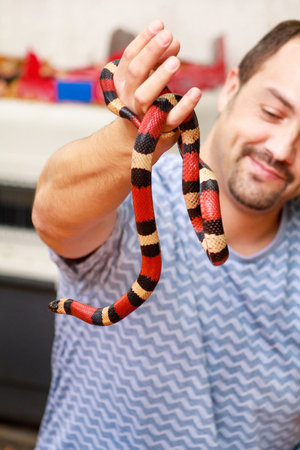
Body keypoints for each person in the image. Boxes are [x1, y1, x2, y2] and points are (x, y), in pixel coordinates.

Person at [32, 19, 300, 449]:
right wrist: (134, 134)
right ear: (231, 87)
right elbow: (52, 214)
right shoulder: (131, 189)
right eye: (272, 111)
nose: (283, 148)